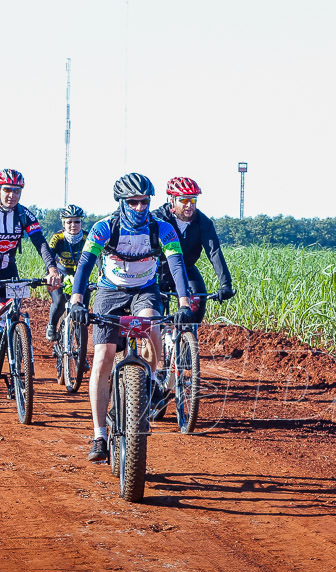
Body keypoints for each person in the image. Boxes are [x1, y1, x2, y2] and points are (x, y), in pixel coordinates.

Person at [69, 173, 193, 464]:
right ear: (122, 202)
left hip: (145, 290)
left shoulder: (162, 229)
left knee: (150, 324)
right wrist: (76, 300)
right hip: (110, 291)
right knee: (102, 357)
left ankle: (148, 382)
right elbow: (86, 263)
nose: (140, 207)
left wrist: (185, 302)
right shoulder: (104, 228)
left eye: (145, 202)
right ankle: (100, 435)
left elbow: (176, 265)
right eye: (133, 202)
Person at [152, 177, 234, 322]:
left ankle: (189, 338)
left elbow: (214, 252)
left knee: (197, 299)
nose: (189, 205)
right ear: (172, 200)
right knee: (155, 314)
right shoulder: (157, 219)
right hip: (159, 270)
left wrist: (226, 284)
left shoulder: (203, 222)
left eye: (193, 200)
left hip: (186, 268)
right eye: (184, 200)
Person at [0, 168, 62, 299]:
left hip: (8, 269)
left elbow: (40, 243)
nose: (12, 195)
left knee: (13, 310)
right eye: (7, 190)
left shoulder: (23, 214)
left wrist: (52, 270)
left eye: (16, 191)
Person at [45, 204, 88, 341]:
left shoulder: (87, 237)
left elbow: (99, 257)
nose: (73, 225)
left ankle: (81, 351)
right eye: (69, 222)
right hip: (61, 273)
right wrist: (51, 274)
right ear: (64, 223)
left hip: (79, 276)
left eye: (77, 221)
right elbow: (49, 257)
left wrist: (100, 273)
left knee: (82, 306)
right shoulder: (58, 238)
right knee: (59, 302)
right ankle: (52, 326)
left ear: (81, 222)